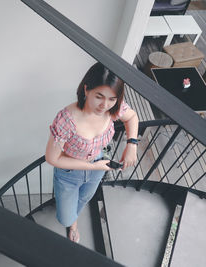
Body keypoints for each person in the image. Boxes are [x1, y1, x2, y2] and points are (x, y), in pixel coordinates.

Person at [45, 62, 139, 243]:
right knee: (65, 217)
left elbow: (132, 116)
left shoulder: (114, 108)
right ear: (87, 89)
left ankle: (74, 222)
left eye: (112, 99)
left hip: (97, 167)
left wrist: (132, 144)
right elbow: (52, 157)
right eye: (99, 96)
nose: (105, 105)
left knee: (84, 199)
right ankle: (71, 223)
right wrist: (91, 165)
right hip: (70, 172)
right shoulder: (67, 120)